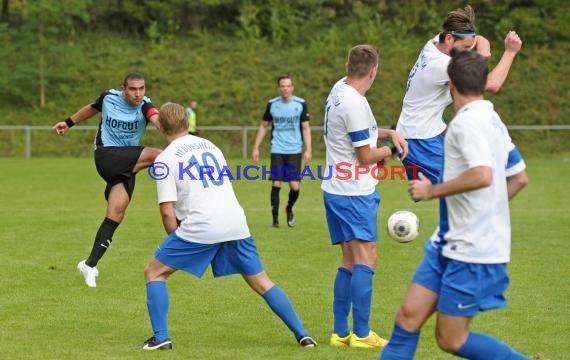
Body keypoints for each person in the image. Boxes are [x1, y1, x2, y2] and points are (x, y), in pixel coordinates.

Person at [380, 52, 530, 359]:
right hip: (446, 242)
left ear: (450, 84)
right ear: (481, 83)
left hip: (471, 250)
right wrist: (484, 213)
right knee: (407, 317)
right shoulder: (491, 117)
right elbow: (519, 177)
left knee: (451, 340)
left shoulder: (466, 125)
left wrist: (431, 190)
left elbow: (482, 174)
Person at [141, 102, 317, 350]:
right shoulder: (211, 146)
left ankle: (161, 338)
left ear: (161, 128)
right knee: (261, 281)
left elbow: (167, 211)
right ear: (185, 121)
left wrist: (175, 240)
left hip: (202, 224)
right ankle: (303, 335)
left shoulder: (165, 158)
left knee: (154, 272)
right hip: (235, 220)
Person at [321, 44, 408, 349]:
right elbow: (366, 156)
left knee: (349, 259)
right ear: (373, 71)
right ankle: (361, 333)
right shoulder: (355, 103)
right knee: (367, 257)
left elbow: (360, 132)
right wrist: (395, 149)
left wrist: (388, 133)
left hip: (336, 189)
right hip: (354, 193)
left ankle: (340, 333)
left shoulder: (339, 88)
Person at [52, 72, 162, 288]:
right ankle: (185, 198)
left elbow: (156, 117)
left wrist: (164, 125)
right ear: (123, 88)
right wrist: (68, 122)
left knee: (116, 212)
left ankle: (89, 264)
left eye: (141, 88)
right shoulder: (109, 98)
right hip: (106, 155)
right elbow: (91, 108)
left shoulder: (145, 105)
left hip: (127, 164)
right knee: (160, 154)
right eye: (132, 89)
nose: (138, 93)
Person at [396, 5, 523, 184]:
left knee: (459, 191)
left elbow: (477, 39)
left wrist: (482, 52)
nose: (466, 52)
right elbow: (493, 85)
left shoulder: (435, 43)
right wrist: (510, 52)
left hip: (421, 135)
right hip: (419, 142)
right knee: (465, 187)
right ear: (449, 38)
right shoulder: (442, 66)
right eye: (464, 48)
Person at [252, 75, 312, 228]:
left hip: (294, 150)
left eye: (288, 86)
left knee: (294, 186)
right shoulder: (272, 104)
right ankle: (275, 221)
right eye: (282, 86)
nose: (285, 88)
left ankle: (289, 208)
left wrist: (308, 149)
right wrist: (256, 147)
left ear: (292, 87)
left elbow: (306, 128)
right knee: (276, 183)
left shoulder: (300, 104)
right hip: (277, 149)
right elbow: (263, 126)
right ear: (279, 88)